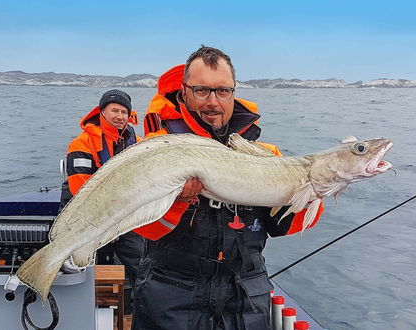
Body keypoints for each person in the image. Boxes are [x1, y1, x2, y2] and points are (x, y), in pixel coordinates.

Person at [132, 46, 324, 329]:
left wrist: (314, 193)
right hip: (171, 295)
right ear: (184, 91)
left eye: (223, 91)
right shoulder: (157, 149)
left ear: (233, 92)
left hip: (244, 299)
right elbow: (141, 228)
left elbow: (283, 226)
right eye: (201, 90)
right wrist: (179, 201)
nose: (213, 102)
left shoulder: (264, 154)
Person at [59, 89, 144, 285]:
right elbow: (80, 191)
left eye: (124, 112)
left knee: (143, 266)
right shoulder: (82, 143)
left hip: (123, 217)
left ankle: (138, 308)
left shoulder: (137, 143)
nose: (120, 116)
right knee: (80, 269)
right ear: (102, 112)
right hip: (83, 218)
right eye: (115, 110)